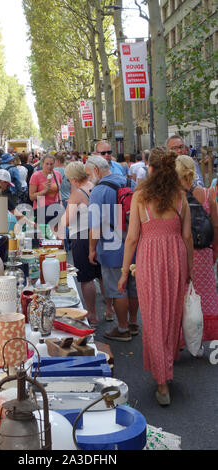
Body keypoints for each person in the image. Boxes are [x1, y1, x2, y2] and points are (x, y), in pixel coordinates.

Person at [118, 148, 193, 406]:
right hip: (175, 259)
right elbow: (186, 237)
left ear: (149, 169)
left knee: (153, 319)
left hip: (149, 259)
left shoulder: (139, 197)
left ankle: (162, 382)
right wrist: (190, 269)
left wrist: (124, 271)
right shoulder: (180, 197)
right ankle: (165, 372)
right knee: (171, 317)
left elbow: (132, 238)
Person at [86, 155, 139, 340]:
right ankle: (133, 323)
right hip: (133, 241)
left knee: (118, 288)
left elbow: (95, 224)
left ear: (96, 170)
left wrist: (92, 248)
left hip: (111, 244)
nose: (89, 178)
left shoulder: (98, 191)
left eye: (89, 174)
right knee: (133, 285)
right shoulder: (128, 182)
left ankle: (122, 329)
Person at [60, 162, 113, 325]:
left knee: (86, 278)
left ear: (74, 179)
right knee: (102, 275)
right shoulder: (95, 186)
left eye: (69, 179)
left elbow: (67, 221)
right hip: (98, 234)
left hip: (82, 237)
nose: (69, 182)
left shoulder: (77, 194)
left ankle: (92, 314)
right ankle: (110, 310)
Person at [175, 155, 218, 349]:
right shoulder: (208, 193)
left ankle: (181, 339)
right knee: (203, 295)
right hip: (204, 252)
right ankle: (199, 340)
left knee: (181, 296)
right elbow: (215, 224)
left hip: (182, 252)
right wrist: (215, 250)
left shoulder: (174, 197)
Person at [29, 154, 63, 226]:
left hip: (55, 208)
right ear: (42, 163)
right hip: (41, 210)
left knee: (56, 234)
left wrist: (61, 202)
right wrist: (44, 191)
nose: (49, 166)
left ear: (54, 164)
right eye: (47, 164)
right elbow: (31, 197)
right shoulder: (36, 176)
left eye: (51, 164)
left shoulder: (57, 174)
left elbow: (59, 190)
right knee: (43, 234)